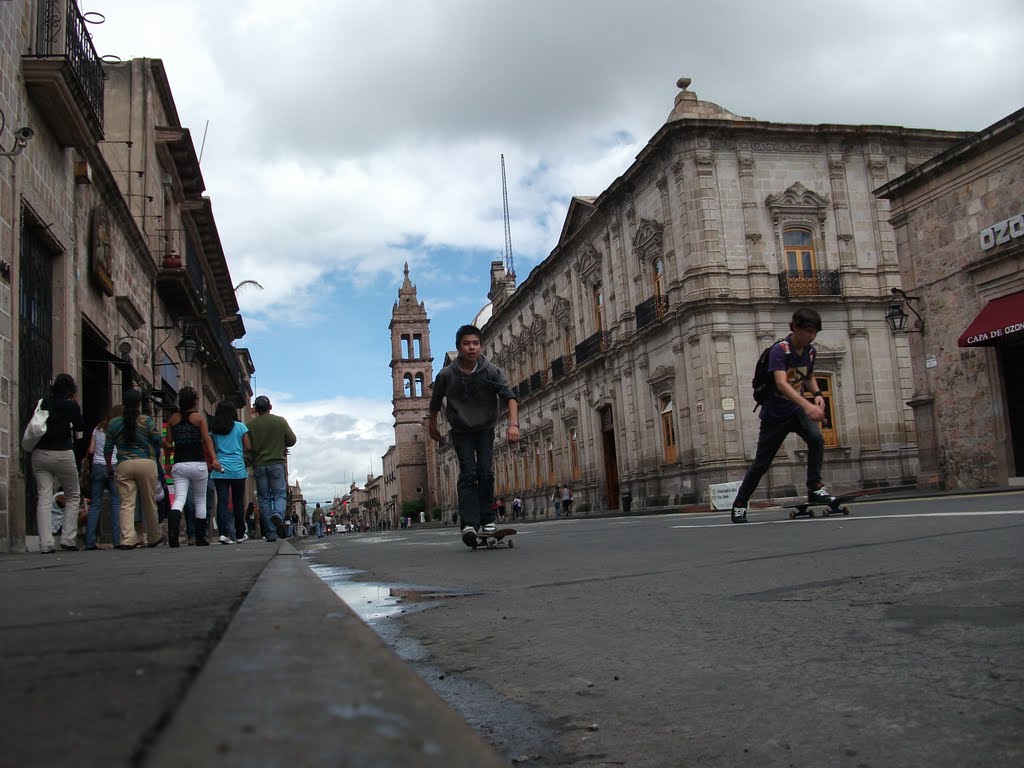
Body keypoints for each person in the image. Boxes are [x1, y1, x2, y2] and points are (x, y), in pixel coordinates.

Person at [729, 307, 833, 523]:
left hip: (795, 410)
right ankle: (740, 502)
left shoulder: (810, 351)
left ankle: (814, 486)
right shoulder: (781, 350)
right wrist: (808, 405)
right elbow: (782, 384)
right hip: (775, 415)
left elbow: (807, 375)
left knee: (816, 438)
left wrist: (817, 394)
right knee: (761, 464)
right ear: (795, 328)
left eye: (814, 333)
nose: (811, 337)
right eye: (807, 332)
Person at [427, 324, 519, 546]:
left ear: (480, 346)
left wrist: (513, 425)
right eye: (467, 344)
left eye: (475, 343)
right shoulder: (446, 375)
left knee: (485, 472)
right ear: (459, 347)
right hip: (461, 430)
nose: (471, 348)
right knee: (468, 473)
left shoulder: (491, 371)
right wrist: (432, 426)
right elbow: (435, 403)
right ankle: (469, 523)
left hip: (485, 428)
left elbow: (510, 397)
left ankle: (488, 520)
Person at [31, 373, 85, 553]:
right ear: (71, 389)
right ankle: (68, 539)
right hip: (63, 452)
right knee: (73, 494)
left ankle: (45, 543)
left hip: (40, 453)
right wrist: (74, 403)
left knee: (44, 496)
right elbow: (80, 427)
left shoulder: (44, 402)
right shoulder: (71, 405)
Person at [104, 389, 164, 548]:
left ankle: (127, 539)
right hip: (146, 463)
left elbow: (108, 448)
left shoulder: (114, 423)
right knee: (149, 502)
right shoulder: (146, 420)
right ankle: (154, 535)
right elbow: (157, 439)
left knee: (127, 503)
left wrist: (109, 466)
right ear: (139, 404)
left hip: (124, 464)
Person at [164, 387, 222, 545]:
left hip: (179, 465)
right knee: (200, 500)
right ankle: (200, 537)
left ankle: (173, 536)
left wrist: (168, 463)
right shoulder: (199, 418)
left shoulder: (172, 420)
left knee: (179, 499)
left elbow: (168, 445)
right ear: (195, 401)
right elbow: (207, 440)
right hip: (198, 464)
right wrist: (214, 459)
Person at [246, 395, 296, 542]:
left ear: (255, 408)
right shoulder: (279, 421)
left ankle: (271, 533)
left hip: (259, 465)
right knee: (279, 495)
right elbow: (292, 440)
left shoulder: (250, 426)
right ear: (270, 407)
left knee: (264, 498)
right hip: (276, 464)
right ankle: (278, 515)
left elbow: (248, 447)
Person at [210, 400, 251, 544]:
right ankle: (240, 534)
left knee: (222, 501)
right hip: (237, 469)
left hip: (220, 468)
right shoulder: (240, 427)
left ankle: (223, 534)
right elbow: (248, 446)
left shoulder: (214, 429)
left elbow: (212, 447)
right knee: (238, 502)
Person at [84, 404, 123, 550]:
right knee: (115, 503)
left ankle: (90, 541)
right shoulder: (118, 429)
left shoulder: (98, 428)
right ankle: (116, 540)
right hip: (113, 465)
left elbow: (91, 450)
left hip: (98, 467)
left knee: (95, 504)